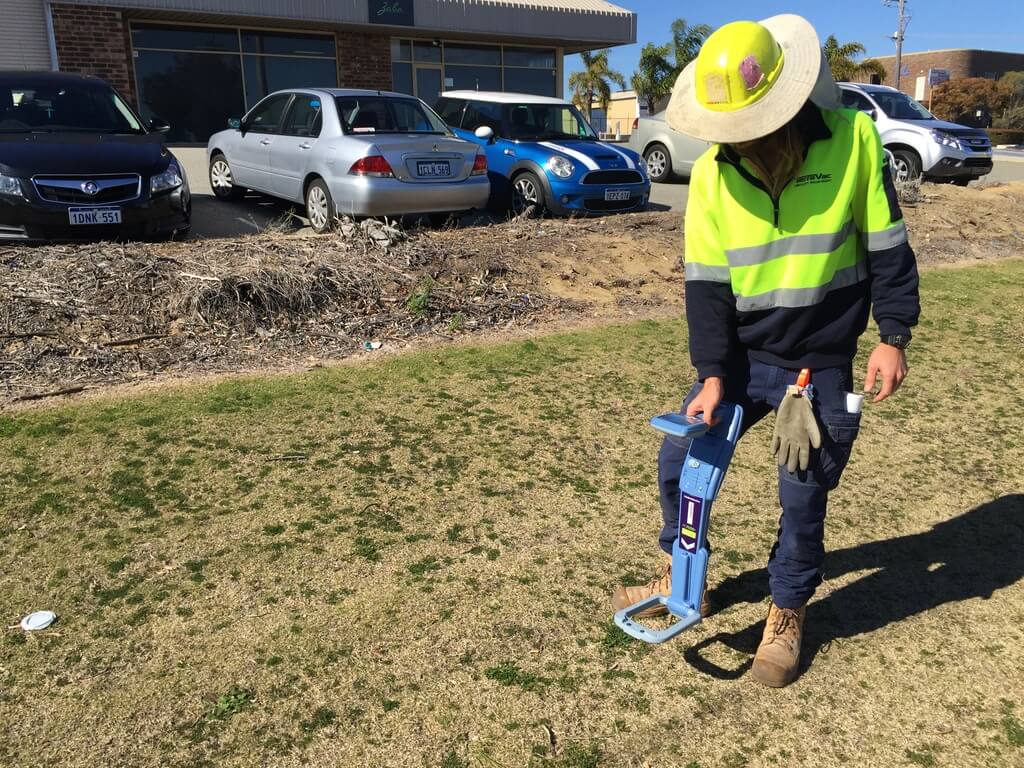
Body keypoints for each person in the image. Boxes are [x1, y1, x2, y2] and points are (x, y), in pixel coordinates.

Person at [611, 14, 920, 688]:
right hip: (747, 363)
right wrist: (713, 376)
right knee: (681, 455)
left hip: (829, 366)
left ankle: (787, 611)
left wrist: (893, 337)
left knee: (805, 489)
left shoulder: (855, 142)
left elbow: (890, 251)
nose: (743, 143)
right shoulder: (714, 180)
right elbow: (707, 288)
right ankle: (684, 571)